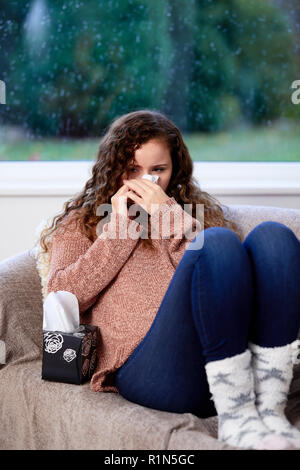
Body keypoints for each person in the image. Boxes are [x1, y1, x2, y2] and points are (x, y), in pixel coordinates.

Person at [39, 109, 300, 450]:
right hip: (148, 371)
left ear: (174, 170)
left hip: (223, 363)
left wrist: (167, 217)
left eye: (157, 170)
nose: (146, 182)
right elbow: (63, 295)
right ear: (113, 168)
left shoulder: (194, 215)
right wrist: (120, 229)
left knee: (273, 238)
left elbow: (225, 286)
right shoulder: (83, 224)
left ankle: (268, 409)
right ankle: (236, 418)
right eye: (132, 170)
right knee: (217, 242)